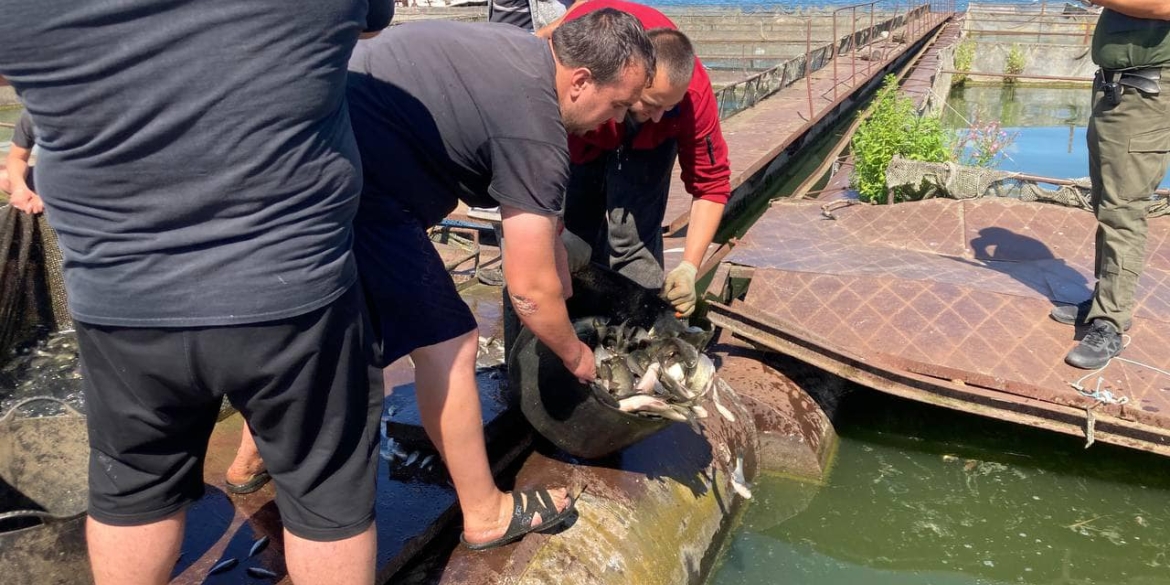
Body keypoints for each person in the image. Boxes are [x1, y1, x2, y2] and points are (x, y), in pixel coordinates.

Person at [229, 11, 655, 551]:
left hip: (304, 147)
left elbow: (538, 224)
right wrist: (575, 357)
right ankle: (485, 512)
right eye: (617, 105)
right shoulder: (536, 127)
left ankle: (249, 459)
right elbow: (527, 290)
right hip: (352, 178)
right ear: (580, 81)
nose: (614, 123)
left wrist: (559, 271)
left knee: (335, 331)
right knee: (449, 342)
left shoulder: (519, 52)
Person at [0, 2, 392, 584]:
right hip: (293, 298)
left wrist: (24, 141)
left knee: (131, 483)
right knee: (326, 492)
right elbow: (370, 21)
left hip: (121, 303)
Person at [538, 0, 732, 319]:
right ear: (635, 74)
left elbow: (711, 185)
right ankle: (571, 320)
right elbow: (530, 154)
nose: (657, 116)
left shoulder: (691, 94)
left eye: (668, 107)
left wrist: (689, 266)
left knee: (635, 241)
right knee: (575, 230)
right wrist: (556, 228)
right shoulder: (590, 63)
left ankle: (637, 328)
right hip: (582, 133)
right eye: (651, 103)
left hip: (649, 149)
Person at [1050, 0, 1170, 369]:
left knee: (1123, 211)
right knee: (1106, 203)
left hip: (1145, 94)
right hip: (1113, 90)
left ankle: (1111, 323)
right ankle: (1104, 302)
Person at [3, 110, 43, 214]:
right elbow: (17, 157)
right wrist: (19, 187)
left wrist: (51, 197)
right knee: (4, 178)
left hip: (84, 183)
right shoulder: (31, 115)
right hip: (49, 174)